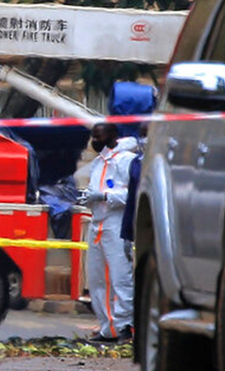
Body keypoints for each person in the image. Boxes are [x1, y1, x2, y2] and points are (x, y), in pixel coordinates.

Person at [79, 122, 139, 342]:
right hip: (97, 223)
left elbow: (132, 194)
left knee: (120, 277)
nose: (96, 141)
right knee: (96, 280)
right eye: (93, 137)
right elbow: (96, 190)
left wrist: (104, 196)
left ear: (113, 136)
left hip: (116, 224)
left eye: (100, 137)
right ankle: (108, 328)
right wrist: (88, 197)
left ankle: (126, 325)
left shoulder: (127, 160)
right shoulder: (98, 162)